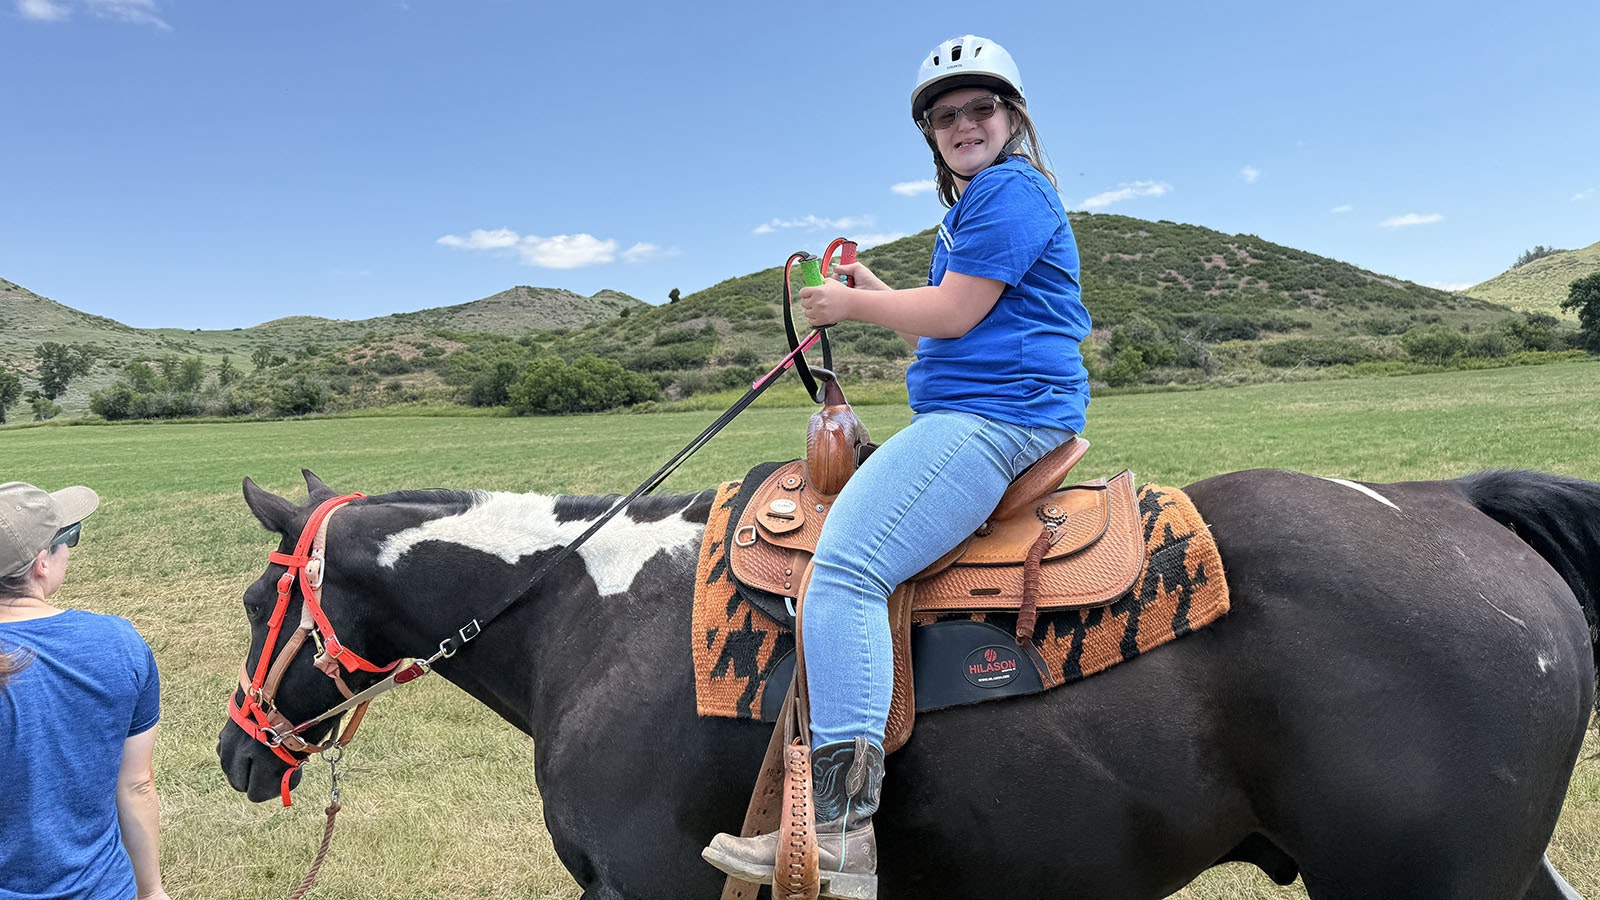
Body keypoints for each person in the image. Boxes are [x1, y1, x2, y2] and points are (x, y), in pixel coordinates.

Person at [703, 34, 1090, 897]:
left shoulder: (1012, 191)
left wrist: (848, 303)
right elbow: (939, 323)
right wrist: (875, 286)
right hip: (980, 407)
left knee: (844, 572)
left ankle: (840, 833)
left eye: (981, 108)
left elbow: (951, 315)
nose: (964, 124)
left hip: (997, 419)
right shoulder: (976, 210)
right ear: (931, 133)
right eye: (946, 115)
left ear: (1013, 118)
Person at [0, 482, 170, 900]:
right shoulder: (118, 643)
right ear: (41, 563)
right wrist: (151, 890)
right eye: (68, 537)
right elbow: (136, 786)